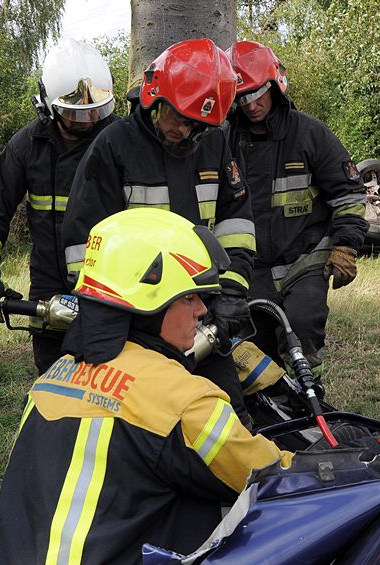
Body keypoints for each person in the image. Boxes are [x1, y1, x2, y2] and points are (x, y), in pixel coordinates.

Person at [0, 208, 293, 563]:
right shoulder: (184, 400)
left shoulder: (51, 379)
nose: (202, 310)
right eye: (189, 297)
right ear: (151, 303)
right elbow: (278, 477)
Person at [61, 38, 255, 424]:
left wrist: (231, 291)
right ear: (154, 98)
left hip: (200, 314)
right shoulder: (114, 146)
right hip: (136, 321)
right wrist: (116, 317)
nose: (183, 131)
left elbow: (236, 225)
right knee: (140, 423)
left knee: (226, 414)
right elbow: (83, 245)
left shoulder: (215, 144)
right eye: (177, 118)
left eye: (196, 126)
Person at [0, 38, 119, 375]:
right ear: (47, 104)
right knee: (53, 373)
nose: (87, 119)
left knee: (110, 375)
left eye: (95, 110)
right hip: (49, 282)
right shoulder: (27, 146)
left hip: (113, 280)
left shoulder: (119, 141)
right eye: (74, 112)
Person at [225, 40, 369, 375]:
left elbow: (348, 194)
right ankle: (273, 401)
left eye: (257, 93)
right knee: (254, 344)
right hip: (252, 265)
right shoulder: (225, 139)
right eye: (241, 97)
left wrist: (346, 246)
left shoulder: (310, 134)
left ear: (275, 85)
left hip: (305, 257)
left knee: (303, 326)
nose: (251, 105)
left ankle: (310, 393)